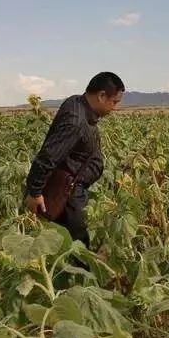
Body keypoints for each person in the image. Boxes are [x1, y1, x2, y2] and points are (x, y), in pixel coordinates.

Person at [24, 72, 125, 249]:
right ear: (101, 96)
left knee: (70, 241)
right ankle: (82, 274)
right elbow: (49, 155)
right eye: (114, 102)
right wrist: (34, 191)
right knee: (78, 243)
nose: (115, 108)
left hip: (72, 186)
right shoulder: (75, 121)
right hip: (69, 192)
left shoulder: (76, 102)